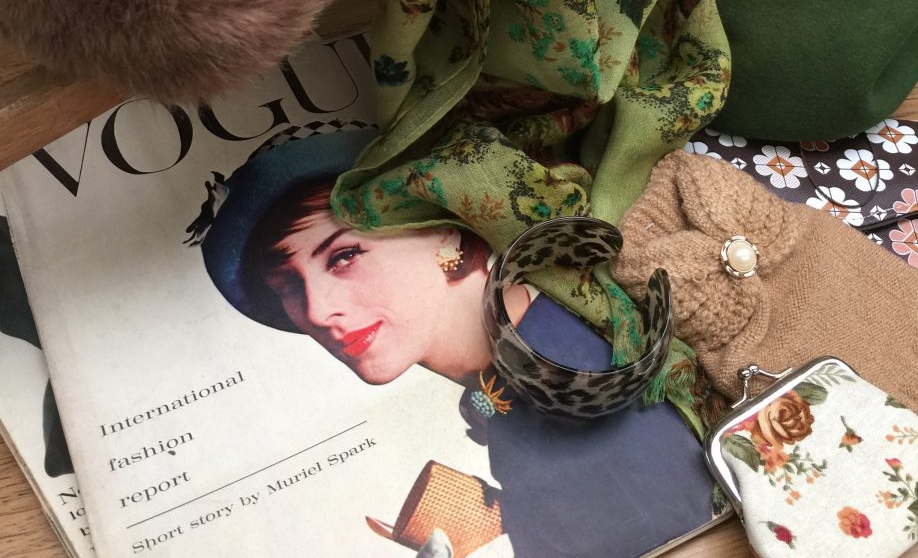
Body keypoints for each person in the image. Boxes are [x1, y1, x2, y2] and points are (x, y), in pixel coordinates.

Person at [199, 129, 721, 558]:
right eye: (287, 286)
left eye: (344, 257)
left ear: (446, 230)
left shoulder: (575, 368)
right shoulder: (511, 384)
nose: (316, 311)